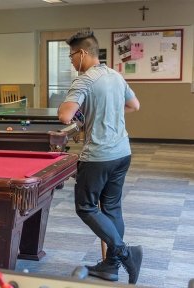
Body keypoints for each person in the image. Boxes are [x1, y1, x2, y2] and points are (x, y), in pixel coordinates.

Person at [58, 30, 142, 285]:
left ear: (83, 53)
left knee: (86, 207)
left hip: (98, 157)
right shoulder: (115, 75)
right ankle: (110, 267)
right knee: (112, 208)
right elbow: (134, 105)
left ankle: (125, 253)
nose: (71, 61)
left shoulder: (85, 80)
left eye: (72, 55)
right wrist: (104, 112)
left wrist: (80, 113)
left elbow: (64, 115)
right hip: (122, 153)